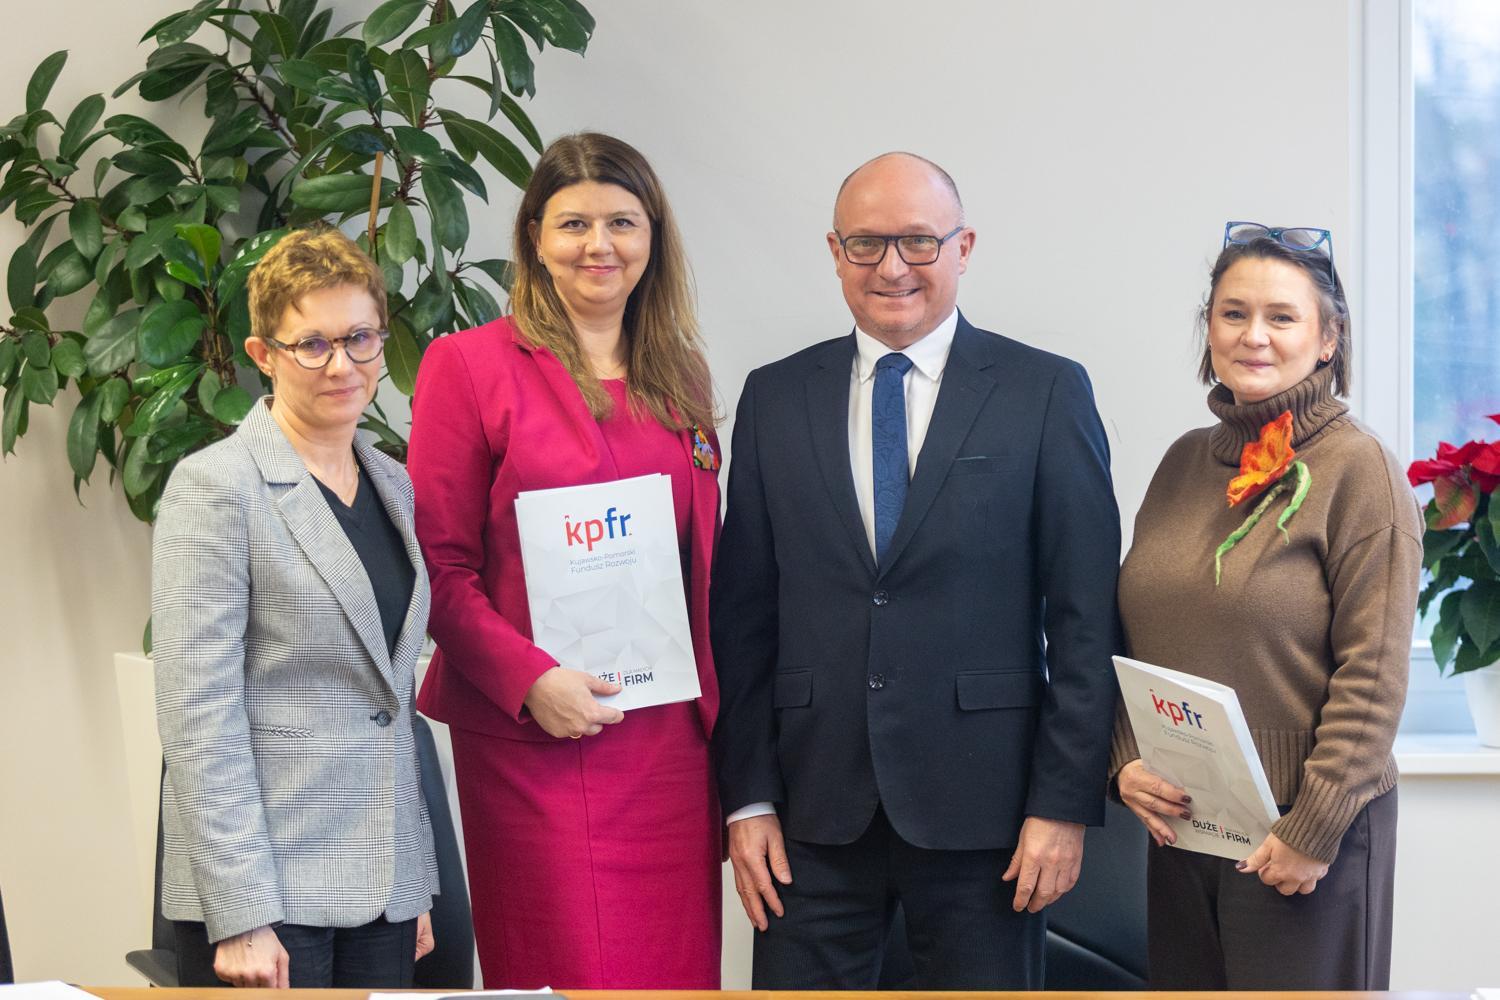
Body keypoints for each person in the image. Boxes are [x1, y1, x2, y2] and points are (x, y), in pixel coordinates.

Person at [711, 152, 1122, 989]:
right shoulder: (774, 398)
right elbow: (743, 617)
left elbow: (1085, 620)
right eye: (866, 243)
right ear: (835, 253)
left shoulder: (1044, 392)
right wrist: (747, 798)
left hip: (990, 818)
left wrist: (1062, 804)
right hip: (811, 815)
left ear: (963, 247)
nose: (892, 267)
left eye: (919, 242)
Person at [406, 132, 723, 989]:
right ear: (535, 239)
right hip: (534, 738)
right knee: (568, 970)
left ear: (652, 236)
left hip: (668, 745)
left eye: (622, 222)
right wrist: (531, 680)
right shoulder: (468, 366)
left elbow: (701, 559)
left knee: (675, 975)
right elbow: (438, 565)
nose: (599, 245)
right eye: (573, 223)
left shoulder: (682, 377)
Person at [1112, 222, 1421, 989]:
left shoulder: (1360, 471)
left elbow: (1374, 676)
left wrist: (1313, 828)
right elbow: (1128, 636)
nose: (1254, 335)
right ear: (1209, 328)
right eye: (1233, 313)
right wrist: (1124, 760)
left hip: (1304, 837)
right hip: (1183, 826)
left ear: (1328, 338)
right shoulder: (1183, 462)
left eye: (1281, 316)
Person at [152, 227, 437, 988]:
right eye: (312, 344)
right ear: (263, 355)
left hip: (382, 887)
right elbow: (198, 714)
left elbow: (391, 698)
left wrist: (411, 878)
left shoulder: (393, 484)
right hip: (269, 893)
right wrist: (240, 912)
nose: (342, 364)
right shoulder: (216, 487)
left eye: (360, 338)